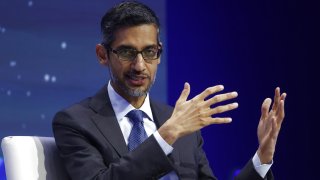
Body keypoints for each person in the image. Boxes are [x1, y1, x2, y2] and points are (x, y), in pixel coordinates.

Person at [52, 1, 287, 179]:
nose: (139, 65)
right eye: (126, 52)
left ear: (159, 52)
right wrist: (166, 136)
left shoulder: (180, 125)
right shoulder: (75, 122)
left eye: (149, 52)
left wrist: (262, 158)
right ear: (103, 55)